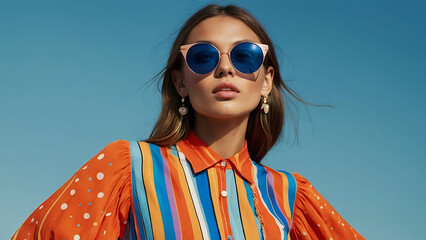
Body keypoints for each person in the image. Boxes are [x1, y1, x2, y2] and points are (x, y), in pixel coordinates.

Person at [12, 4, 365, 240]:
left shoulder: (291, 196)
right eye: (203, 56)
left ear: (267, 80)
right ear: (181, 81)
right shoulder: (127, 168)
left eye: (244, 56)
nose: (225, 68)